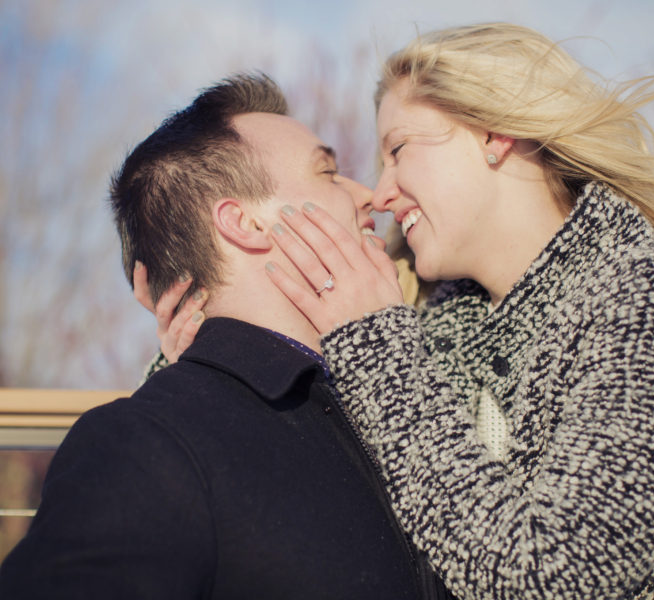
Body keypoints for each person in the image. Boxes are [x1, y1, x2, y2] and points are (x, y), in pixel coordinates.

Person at [136, 24, 654, 600]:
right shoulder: (433, 334)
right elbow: (286, 479)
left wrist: (375, 344)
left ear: (494, 133)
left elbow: (549, 576)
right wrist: (196, 367)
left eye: (399, 148)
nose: (381, 193)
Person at [0, 73, 449, 600]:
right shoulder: (147, 444)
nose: (367, 194)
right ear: (246, 223)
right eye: (328, 171)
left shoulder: (392, 408)